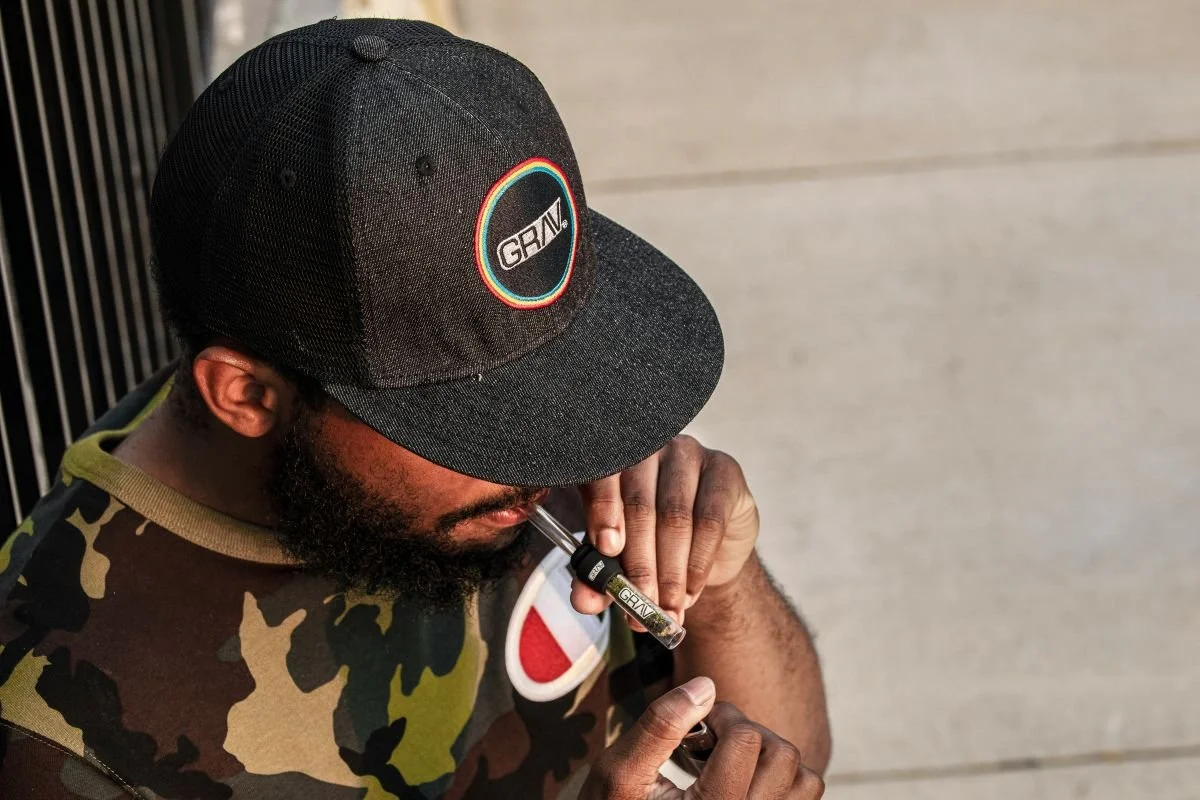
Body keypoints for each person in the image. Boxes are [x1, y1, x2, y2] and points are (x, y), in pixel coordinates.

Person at [0, 18, 829, 799]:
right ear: (247, 395)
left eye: (549, 376)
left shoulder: (495, 485)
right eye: (469, 416)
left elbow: (799, 753)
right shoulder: (66, 742)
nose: (549, 457)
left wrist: (721, 586)